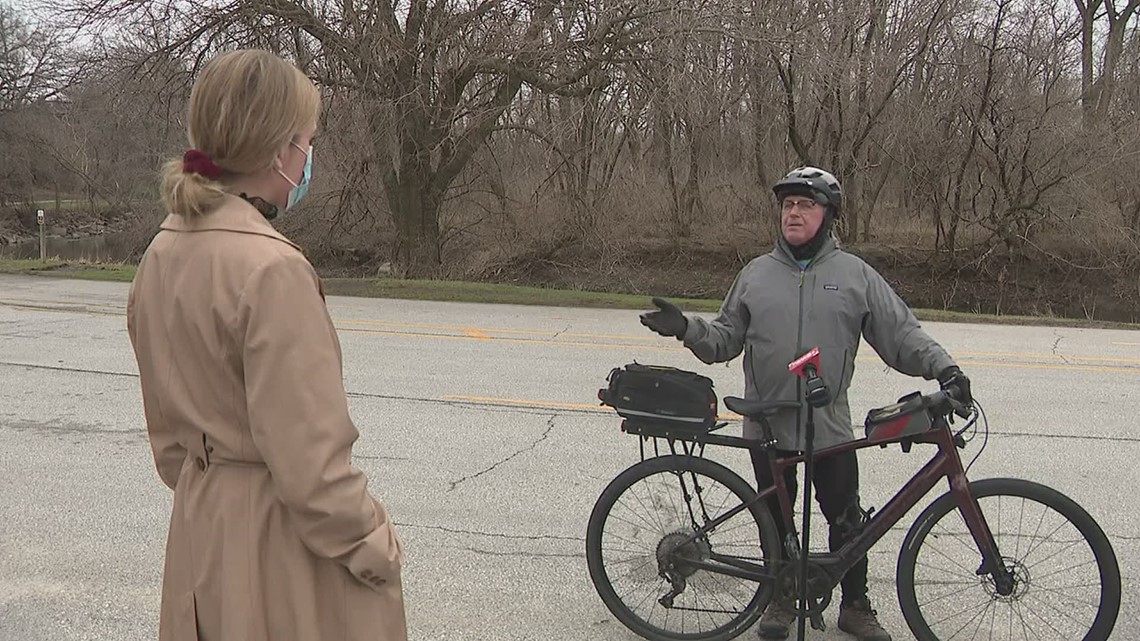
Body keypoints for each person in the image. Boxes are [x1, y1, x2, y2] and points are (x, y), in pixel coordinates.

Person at [126, 49, 406, 641]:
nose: (308, 157)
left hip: (200, 529)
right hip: (277, 551)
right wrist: (374, 544)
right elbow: (314, 471)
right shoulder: (273, 270)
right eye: (308, 141)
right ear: (280, 152)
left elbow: (169, 445)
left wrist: (216, 490)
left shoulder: (162, 252)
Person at [639, 166, 972, 641]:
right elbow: (724, 339)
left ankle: (855, 607)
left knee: (847, 520)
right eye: (788, 205)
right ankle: (780, 599)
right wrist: (687, 328)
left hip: (828, 423)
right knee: (775, 522)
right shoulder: (756, 275)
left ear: (828, 215)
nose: (793, 213)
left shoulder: (854, 275)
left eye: (806, 205)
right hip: (767, 423)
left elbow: (901, 335)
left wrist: (946, 369)